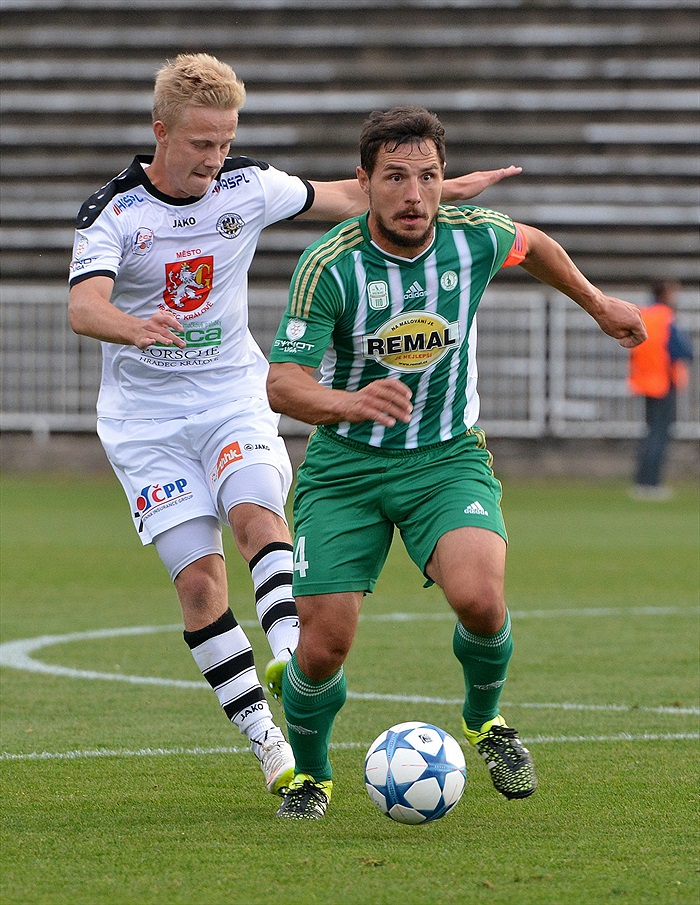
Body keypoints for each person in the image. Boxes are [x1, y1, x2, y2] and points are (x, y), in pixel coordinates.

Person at [68, 57, 520, 798]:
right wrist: (131, 326)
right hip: (145, 423)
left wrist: (437, 193)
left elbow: (347, 193)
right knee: (200, 585)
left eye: (225, 141)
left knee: (256, 516)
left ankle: (288, 654)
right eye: (201, 144)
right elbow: (84, 306)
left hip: (231, 396)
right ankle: (266, 740)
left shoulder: (245, 185)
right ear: (161, 132)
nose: (215, 158)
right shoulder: (114, 213)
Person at [266, 105, 647, 819]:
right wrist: (349, 402)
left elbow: (533, 244)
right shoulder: (330, 266)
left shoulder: (475, 238)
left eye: (428, 177)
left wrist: (597, 304)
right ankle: (311, 776)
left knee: (481, 598)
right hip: (345, 470)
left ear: (444, 180)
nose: (413, 195)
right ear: (364, 182)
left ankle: (485, 721)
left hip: (446, 459)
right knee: (322, 649)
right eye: (395, 177)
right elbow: (283, 383)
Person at [628, 281, 694, 500]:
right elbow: (683, 350)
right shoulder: (666, 318)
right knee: (659, 435)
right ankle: (651, 483)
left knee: (650, 433)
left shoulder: (644, 316)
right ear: (664, 294)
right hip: (663, 383)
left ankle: (642, 480)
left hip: (645, 381)